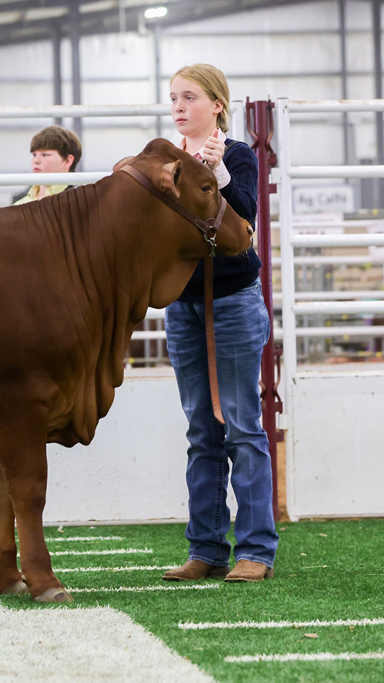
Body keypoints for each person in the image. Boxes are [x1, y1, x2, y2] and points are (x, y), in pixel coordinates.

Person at [161, 64, 278, 583]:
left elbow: (246, 219)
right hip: (184, 306)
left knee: (242, 427)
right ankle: (206, 549)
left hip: (230, 301)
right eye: (173, 99)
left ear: (217, 105)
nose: (179, 107)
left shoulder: (237, 156)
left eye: (189, 97)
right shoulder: (165, 162)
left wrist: (220, 176)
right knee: (201, 429)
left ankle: (256, 549)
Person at [13, 125, 81, 205]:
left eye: (45, 155)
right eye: (34, 155)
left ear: (67, 161)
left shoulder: (78, 203)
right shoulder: (19, 205)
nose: (36, 160)